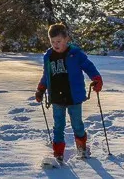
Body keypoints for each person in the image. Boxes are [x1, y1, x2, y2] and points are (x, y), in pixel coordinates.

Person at [35, 23, 103, 161]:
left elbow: (89, 67)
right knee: (58, 125)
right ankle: (58, 153)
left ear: (67, 39)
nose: (55, 44)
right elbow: (46, 75)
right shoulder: (48, 56)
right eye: (52, 41)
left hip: (74, 97)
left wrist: (96, 78)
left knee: (77, 124)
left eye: (59, 41)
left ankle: (82, 148)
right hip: (56, 98)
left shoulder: (76, 54)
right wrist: (41, 88)